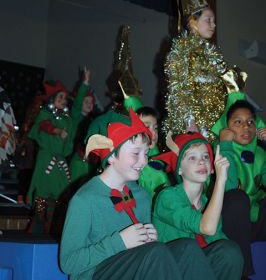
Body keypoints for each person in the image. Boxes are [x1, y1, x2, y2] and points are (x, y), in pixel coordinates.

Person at [60, 109, 228, 280]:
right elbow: (69, 263)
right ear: (111, 156)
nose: (143, 161)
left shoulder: (141, 195)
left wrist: (150, 238)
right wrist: (120, 242)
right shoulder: (85, 199)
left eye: (146, 153)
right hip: (96, 274)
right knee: (155, 253)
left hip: (133, 266)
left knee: (187, 247)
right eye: (135, 153)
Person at [164, 0, 243, 140]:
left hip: (218, 123)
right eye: (209, 20)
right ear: (192, 23)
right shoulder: (181, 51)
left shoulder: (213, 53)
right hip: (196, 127)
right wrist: (190, 121)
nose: (213, 25)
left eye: (214, 21)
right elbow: (179, 88)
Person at [153, 132, 244, 280]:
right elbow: (206, 227)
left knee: (230, 251)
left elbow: (217, 240)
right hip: (171, 269)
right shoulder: (168, 197)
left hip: (200, 268)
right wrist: (220, 180)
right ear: (179, 169)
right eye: (192, 157)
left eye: (205, 157)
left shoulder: (209, 205)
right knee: (189, 248)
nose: (201, 162)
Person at [26, 67, 90, 233]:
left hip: (61, 161)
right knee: (41, 193)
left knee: (59, 194)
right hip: (46, 159)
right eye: (60, 97)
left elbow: (76, 108)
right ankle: (37, 227)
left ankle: (51, 226)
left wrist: (84, 83)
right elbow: (43, 125)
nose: (63, 100)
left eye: (64, 97)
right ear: (52, 99)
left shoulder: (68, 118)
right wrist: (56, 131)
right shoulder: (46, 114)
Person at [212, 94, 266, 278]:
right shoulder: (217, 149)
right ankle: (242, 273)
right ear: (226, 127)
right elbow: (229, 186)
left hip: (252, 221)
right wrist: (225, 144)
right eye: (238, 122)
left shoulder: (259, 154)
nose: (246, 127)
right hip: (225, 222)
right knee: (237, 198)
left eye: (251, 122)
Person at [136, 106, 172, 199]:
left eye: (155, 128)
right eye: (147, 126)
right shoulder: (133, 164)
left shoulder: (156, 155)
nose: (154, 132)